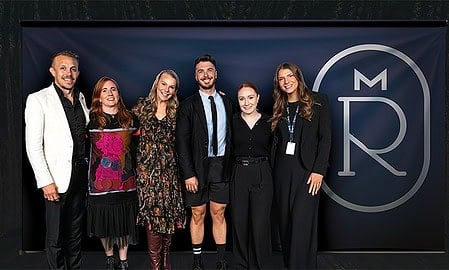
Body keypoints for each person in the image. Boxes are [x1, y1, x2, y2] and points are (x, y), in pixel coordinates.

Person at [24, 50, 89, 269]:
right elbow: (33, 146)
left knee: (75, 233)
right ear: (52, 71)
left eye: (72, 68)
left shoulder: (81, 98)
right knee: (56, 237)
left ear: (78, 72)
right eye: (63, 68)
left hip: (80, 176)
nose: (68, 73)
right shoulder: (38, 99)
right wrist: (45, 181)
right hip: (56, 180)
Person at [176, 54, 234, 270]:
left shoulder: (228, 101)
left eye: (209, 70)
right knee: (198, 213)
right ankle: (197, 261)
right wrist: (188, 173)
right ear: (195, 76)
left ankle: (221, 261)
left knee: (218, 212)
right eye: (201, 71)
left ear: (216, 74)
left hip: (221, 166)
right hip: (197, 168)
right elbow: (181, 142)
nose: (205, 74)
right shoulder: (188, 105)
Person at [271, 62, 331, 269]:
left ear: (298, 77)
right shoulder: (278, 106)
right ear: (278, 83)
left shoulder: (318, 102)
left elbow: (326, 139)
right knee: (286, 224)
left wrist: (319, 171)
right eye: (281, 78)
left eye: (290, 76)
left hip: (307, 172)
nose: (286, 81)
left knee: (302, 223)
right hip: (282, 172)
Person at [133, 70, 186, 270]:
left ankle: (166, 261)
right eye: (164, 84)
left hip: (170, 174)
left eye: (171, 86)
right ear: (157, 83)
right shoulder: (141, 108)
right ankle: (156, 265)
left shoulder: (177, 112)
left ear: (175, 90)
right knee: (153, 218)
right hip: (148, 176)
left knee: (169, 216)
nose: (167, 89)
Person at [86, 76, 139, 270]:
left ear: (119, 93)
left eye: (113, 89)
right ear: (98, 96)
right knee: (104, 224)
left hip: (125, 182)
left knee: (123, 223)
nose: (110, 94)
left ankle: (123, 261)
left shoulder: (131, 118)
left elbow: (137, 147)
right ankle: (110, 259)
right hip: (99, 183)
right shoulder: (90, 119)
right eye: (105, 90)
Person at [230, 82, 273, 269]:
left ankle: (260, 265)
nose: (246, 102)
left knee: (260, 223)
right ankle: (241, 264)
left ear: (258, 98)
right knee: (239, 222)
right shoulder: (232, 121)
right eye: (241, 98)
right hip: (239, 172)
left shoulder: (270, 122)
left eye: (250, 97)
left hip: (262, 172)